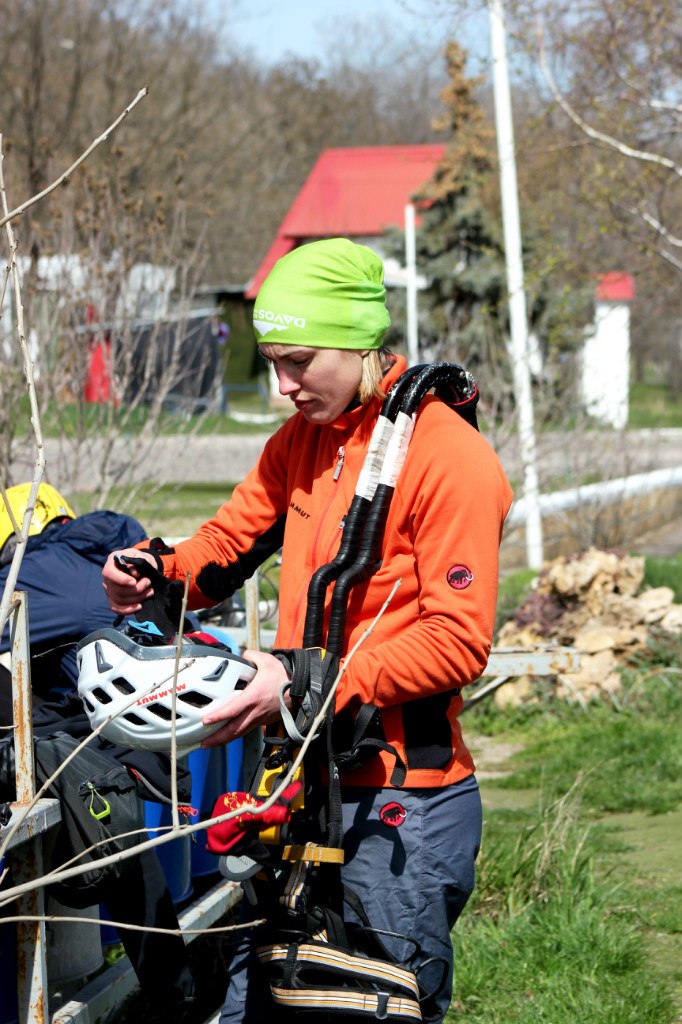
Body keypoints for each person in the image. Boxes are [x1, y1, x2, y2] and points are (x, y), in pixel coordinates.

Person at [102, 237, 514, 1023]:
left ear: (360, 341)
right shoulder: (305, 440)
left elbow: (458, 639)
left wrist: (306, 678)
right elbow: (225, 548)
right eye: (270, 363)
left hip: (401, 803)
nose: (283, 386)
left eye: (299, 361)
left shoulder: (448, 457)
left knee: (377, 1006)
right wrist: (155, 568)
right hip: (302, 785)